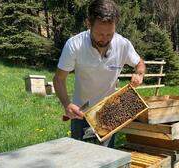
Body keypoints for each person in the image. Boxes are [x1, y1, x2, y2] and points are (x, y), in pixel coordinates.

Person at [53, 0, 146, 147]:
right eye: (100, 34)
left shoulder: (122, 44)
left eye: (110, 34)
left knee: (108, 158)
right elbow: (59, 79)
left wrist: (139, 74)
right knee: (81, 158)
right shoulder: (74, 45)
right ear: (88, 24)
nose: (105, 39)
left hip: (110, 111)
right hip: (82, 112)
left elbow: (139, 63)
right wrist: (67, 104)